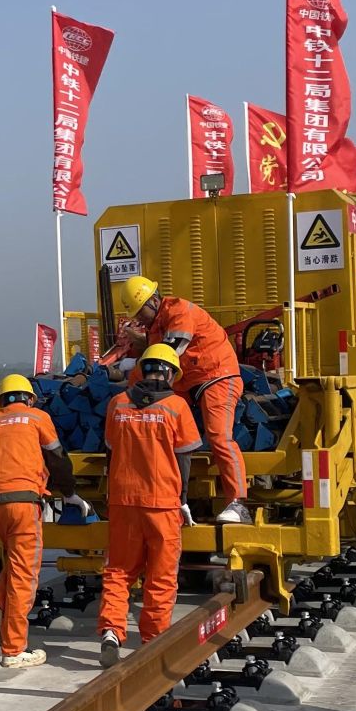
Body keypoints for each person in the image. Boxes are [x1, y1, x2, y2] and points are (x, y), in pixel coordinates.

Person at [98, 345, 204, 667]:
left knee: (119, 570)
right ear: (170, 373)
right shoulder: (177, 407)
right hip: (162, 504)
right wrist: (183, 499)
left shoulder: (118, 404)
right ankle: (154, 642)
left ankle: (111, 632)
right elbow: (184, 458)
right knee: (160, 575)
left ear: (143, 370)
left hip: (123, 501)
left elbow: (111, 452)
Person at [118, 274, 249, 524]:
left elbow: (164, 357)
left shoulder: (179, 311)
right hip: (187, 382)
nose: (138, 318)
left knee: (219, 435)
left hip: (217, 375)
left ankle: (238, 503)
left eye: (139, 312)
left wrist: (130, 377)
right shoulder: (156, 326)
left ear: (153, 301)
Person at [0, 375, 81, 669]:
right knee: (26, 575)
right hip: (23, 503)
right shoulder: (37, 417)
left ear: (1, 401)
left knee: (17, 562)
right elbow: (57, 458)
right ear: (29, 398)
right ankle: (14, 649)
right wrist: (69, 492)